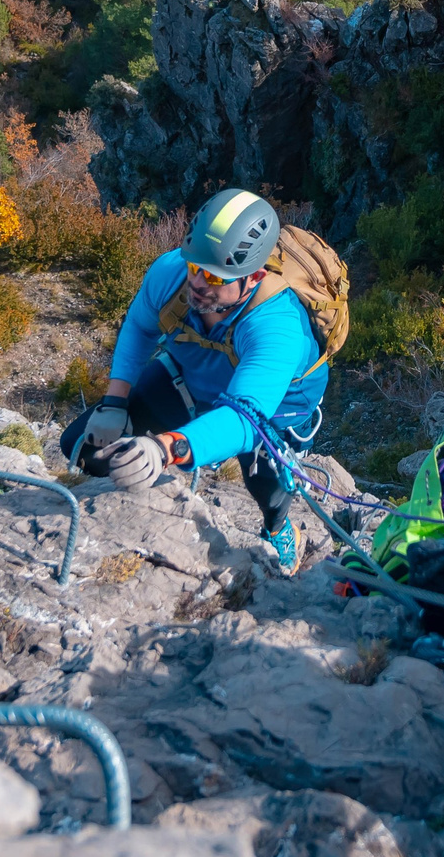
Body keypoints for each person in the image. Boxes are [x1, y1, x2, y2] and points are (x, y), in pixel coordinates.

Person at [59, 188, 339, 571]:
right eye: (194, 266)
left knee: (264, 481)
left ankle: (279, 528)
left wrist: (166, 448)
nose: (197, 282)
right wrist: (115, 401)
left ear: (254, 276)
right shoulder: (171, 272)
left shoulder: (277, 326)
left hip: (275, 403)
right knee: (83, 445)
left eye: (212, 275)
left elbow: (245, 418)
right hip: (194, 376)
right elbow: (139, 328)